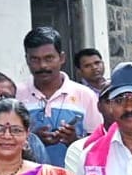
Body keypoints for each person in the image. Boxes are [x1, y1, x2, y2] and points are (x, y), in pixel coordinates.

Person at [17, 26, 103, 167]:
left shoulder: (85, 95)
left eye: (49, 58)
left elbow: (98, 144)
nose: (42, 65)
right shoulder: (17, 95)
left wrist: (75, 141)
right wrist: (33, 140)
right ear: (27, 60)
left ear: (61, 58)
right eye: (35, 59)